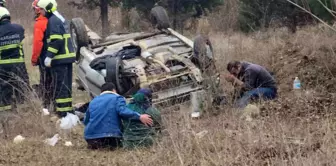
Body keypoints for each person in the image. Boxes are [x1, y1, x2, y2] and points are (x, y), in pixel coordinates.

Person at [83, 83, 154, 150]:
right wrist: (139, 116)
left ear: (102, 91)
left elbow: (86, 120)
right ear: (114, 90)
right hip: (109, 137)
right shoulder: (117, 98)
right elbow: (123, 111)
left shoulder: (93, 101)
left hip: (90, 138)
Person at [37, 0, 76, 117]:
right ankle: (68, 111)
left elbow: (56, 40)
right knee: (66, 86)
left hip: (59, 60)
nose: (41, 12)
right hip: (66, 59)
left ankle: (63, 113)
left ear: (47, 9)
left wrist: (49, 56)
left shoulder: (53, 21)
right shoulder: (60, 19)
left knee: (61, 87)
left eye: (42, 10)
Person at [0, 7, 30, 111]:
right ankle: (24, 111)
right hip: (18, 64)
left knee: (4, 91)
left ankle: (6, 114)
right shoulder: (19, 28)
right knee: (22, 88)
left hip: (2, 66)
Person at [31, 0, 52, 113]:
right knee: (54, 80)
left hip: (44, 57)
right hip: (54, 56)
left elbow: (37, 43)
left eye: (35, 9)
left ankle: (46, 104)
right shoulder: (53, 20)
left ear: (38, 9)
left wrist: (34, 59)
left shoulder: (40, 23)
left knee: (45, 81)